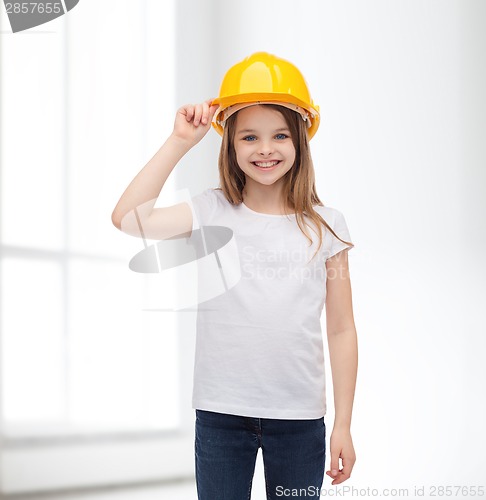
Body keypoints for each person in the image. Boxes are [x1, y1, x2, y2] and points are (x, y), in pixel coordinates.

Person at [112, 52, 358, 500]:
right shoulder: (212, 209)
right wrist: (179, 142)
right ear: (230, 145)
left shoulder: (328, 225)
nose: (265, 149)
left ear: (301, 140)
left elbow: (341, 328)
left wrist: (342, 423)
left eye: (280, 135)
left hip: (300, 419)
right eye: (249, 137)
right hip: (221, 415)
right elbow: (129, 219)